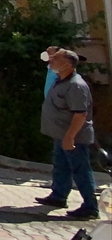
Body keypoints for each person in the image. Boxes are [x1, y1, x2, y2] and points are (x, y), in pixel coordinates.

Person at [35, 48, 99, 220]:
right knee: (61, 165)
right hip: (61, 134)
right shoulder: (60, 80)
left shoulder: (76, 85)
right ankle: (59, 196)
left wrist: (70, 137)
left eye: (55, 59)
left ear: (67, 64)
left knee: (80, 169)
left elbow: (80, 114)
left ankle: (90, 206)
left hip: (74, 136)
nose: (50, 61)